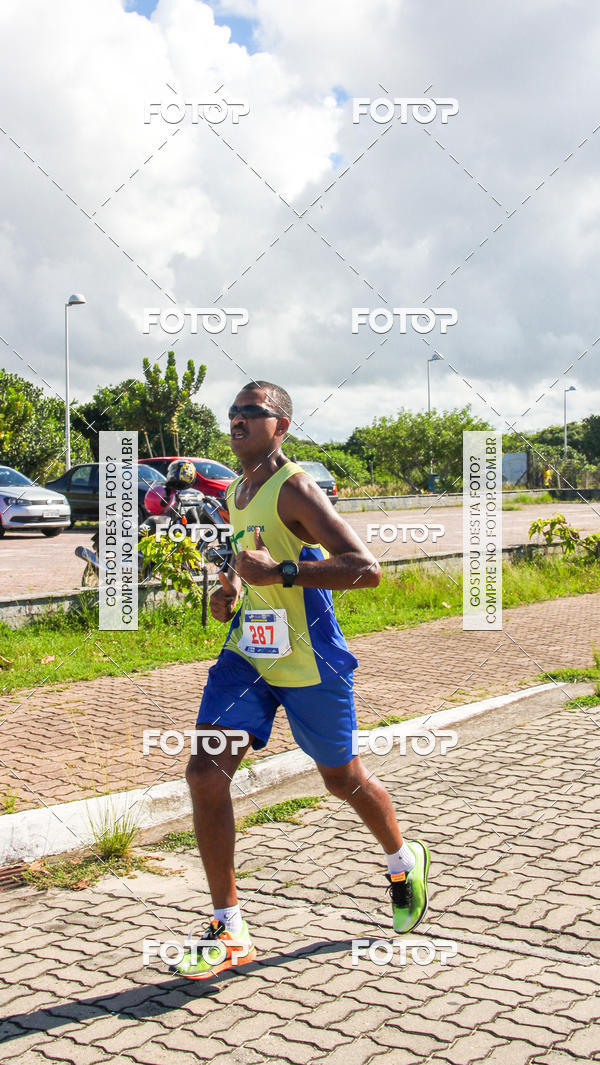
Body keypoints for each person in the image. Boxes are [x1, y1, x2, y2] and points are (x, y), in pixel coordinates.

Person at [174, 381, 430, 979]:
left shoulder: (296, 488)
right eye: (233, 411)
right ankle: (228, 926)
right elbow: (242, 573)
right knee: (204, 772)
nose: (237, 419)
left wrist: (284, 570)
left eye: (251, 412)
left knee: (342, 780)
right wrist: (229, 591)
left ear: (280, 426)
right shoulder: (237, 492)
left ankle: (401, 859)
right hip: (249, 658)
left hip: (310, 662)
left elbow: (367, 570)